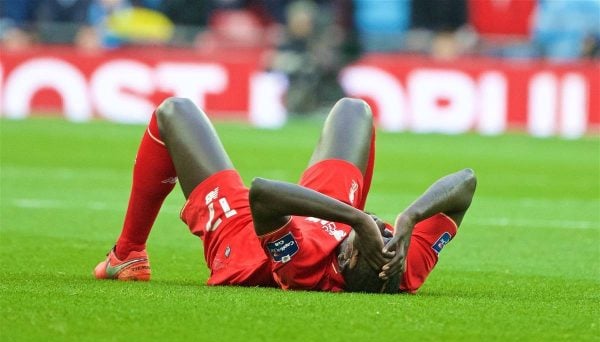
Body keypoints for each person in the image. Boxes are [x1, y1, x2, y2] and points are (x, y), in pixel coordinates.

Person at [94, 97, 476, 293]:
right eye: (392, 235)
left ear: (348, 253)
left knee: (174, 112)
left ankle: (127, 254)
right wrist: (411, 217)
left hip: (243, 237)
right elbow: (465, 183)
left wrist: (356, 218)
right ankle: (339, 213)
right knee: (354, 110)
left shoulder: (305, 264)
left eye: (382, 233)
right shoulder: (403, 269)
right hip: (328, 213)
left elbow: (262, 194)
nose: (387, 228)